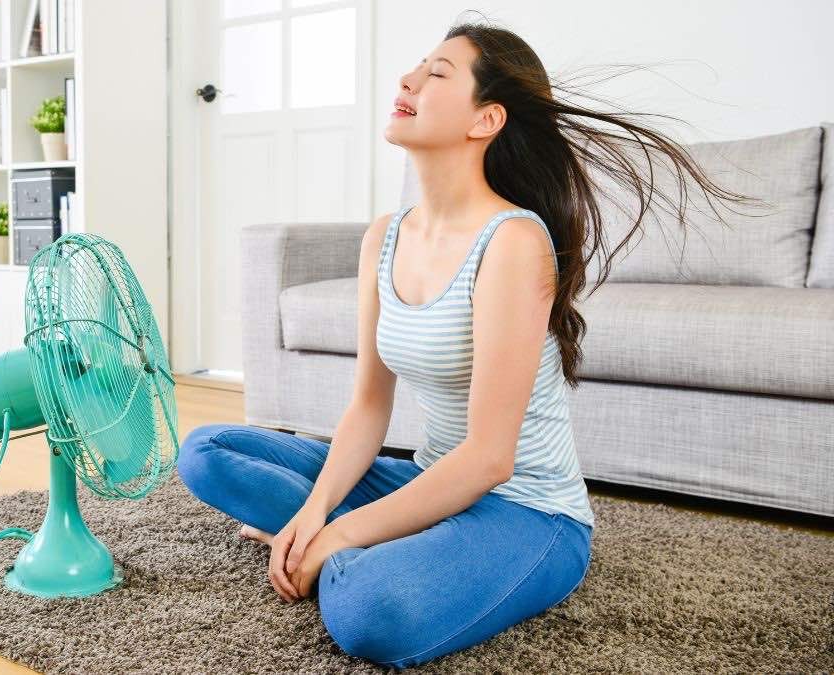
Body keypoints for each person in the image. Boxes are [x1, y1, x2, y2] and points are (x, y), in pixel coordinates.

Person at [177, 16, 758, 670]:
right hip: (430, 482)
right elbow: (369, 405)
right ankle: (357, 540)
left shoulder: (513, 241)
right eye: (417, 66)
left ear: (485, 120)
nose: (407, 78)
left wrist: (337, 532)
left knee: (368, 610)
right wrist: (315, 512)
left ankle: (361, 555)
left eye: (437, 73)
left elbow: (488, 460)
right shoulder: (384, 237)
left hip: (528, 513)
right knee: (206, 451)